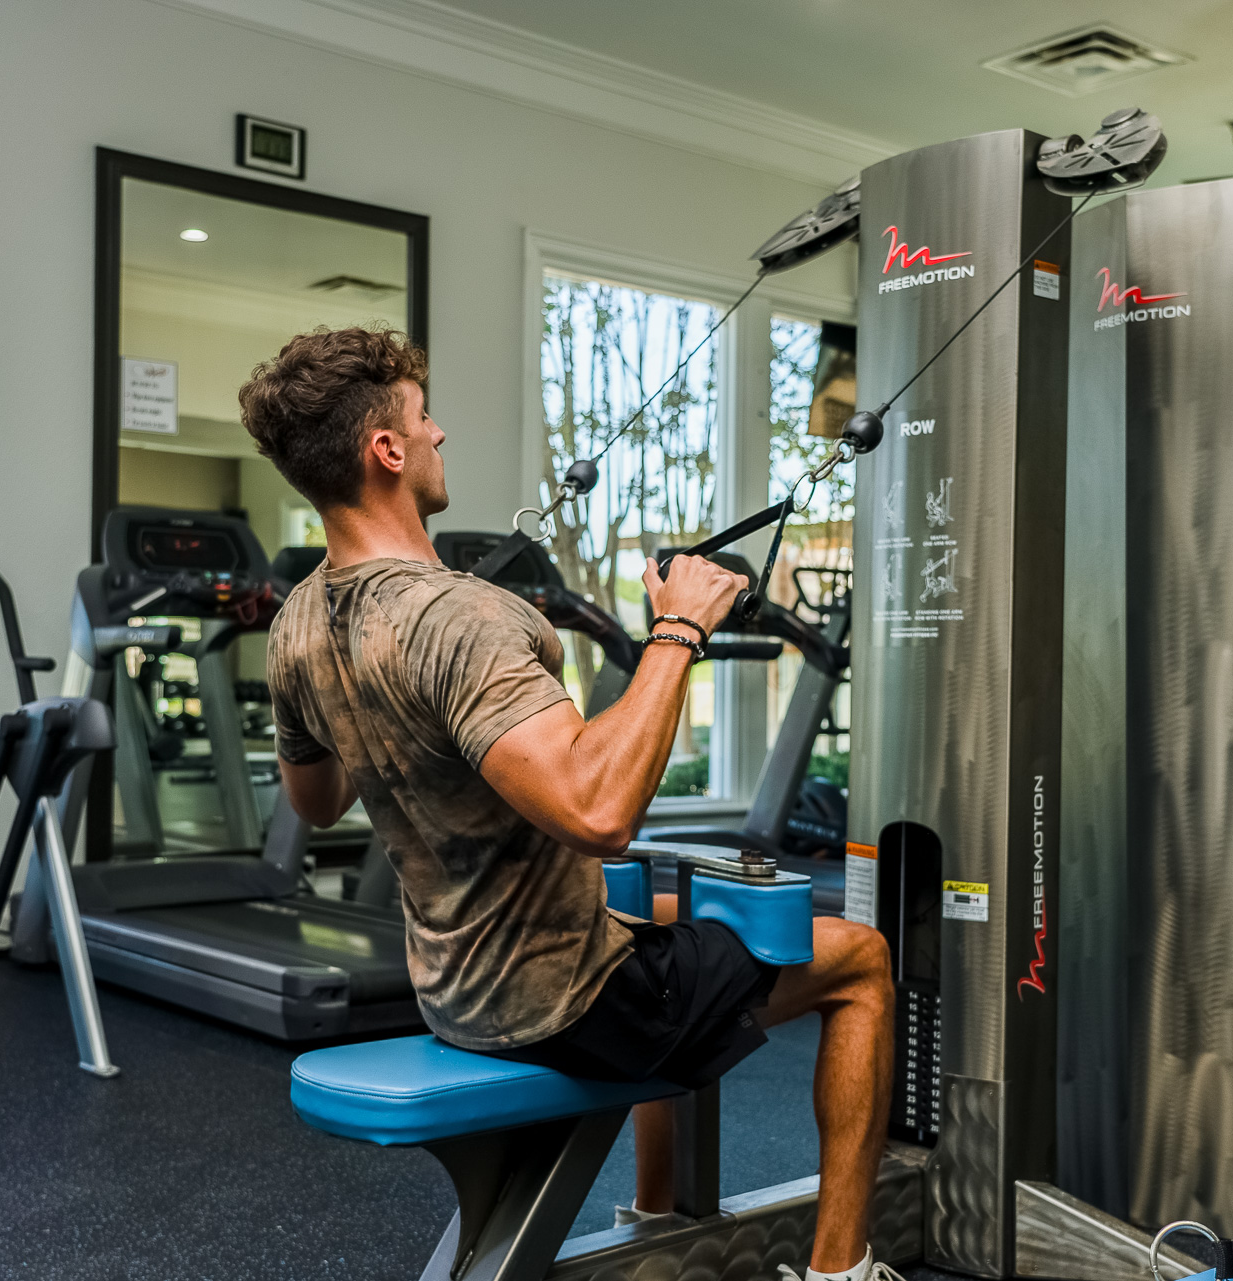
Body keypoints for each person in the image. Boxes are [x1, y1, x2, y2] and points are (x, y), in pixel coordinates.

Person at [240, 326, 898, 1281]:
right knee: (861, 957)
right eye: (423, 418)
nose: (439, 433)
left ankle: (659, 1224)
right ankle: (843, 1272)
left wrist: (389, 710)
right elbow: (598, 814)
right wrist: (679, 628)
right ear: (386, 449)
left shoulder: (298, 621)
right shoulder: (464, 617)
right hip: (570, 1002)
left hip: (454, 986)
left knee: (677, 911)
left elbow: (317, 797)